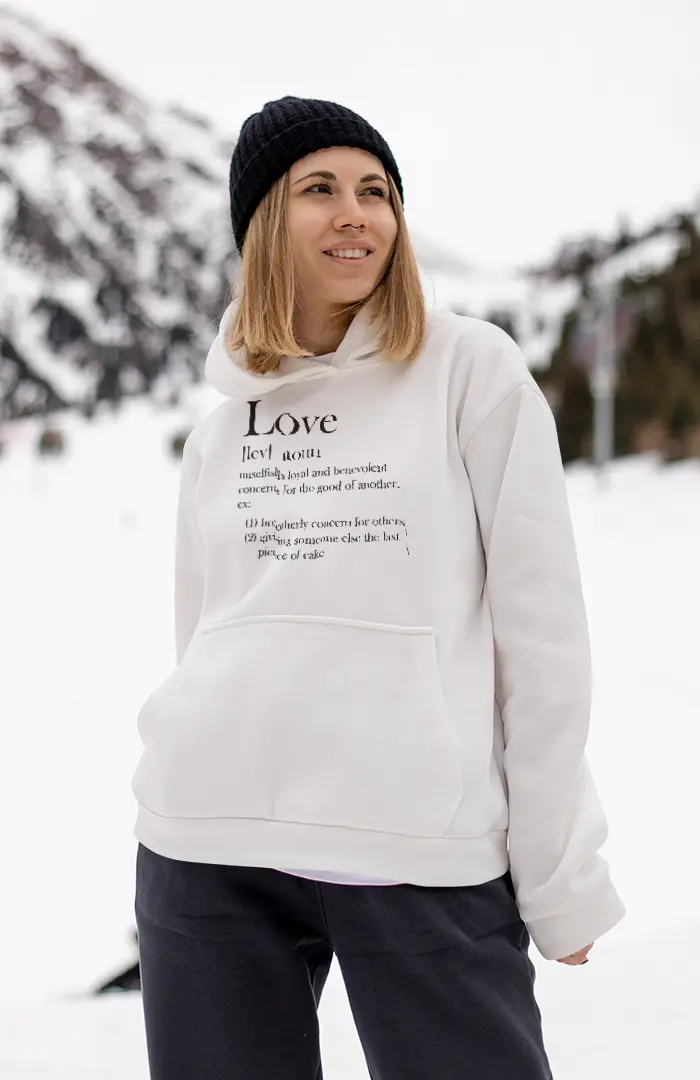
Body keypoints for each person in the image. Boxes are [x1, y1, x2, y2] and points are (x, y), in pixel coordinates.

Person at [132, 96, 626, 1080]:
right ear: (264, 223)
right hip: (206, 846)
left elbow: (541, 641)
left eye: (377, 191)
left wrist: (559, 876)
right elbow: (206, 636)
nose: (356, 212)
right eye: (320, 189)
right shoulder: (219, 429)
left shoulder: (468, 372)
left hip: (420, 851)